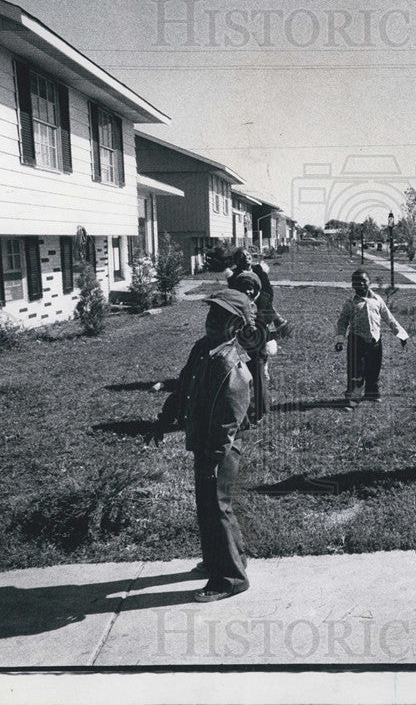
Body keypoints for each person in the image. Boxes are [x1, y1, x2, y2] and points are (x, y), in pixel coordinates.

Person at [151, 288, 254, 602]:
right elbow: (183, 386)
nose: (212, 321)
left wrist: (214, 454)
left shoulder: (229, 363)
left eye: (221, 317)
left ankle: (230, 579)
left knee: (216, 509)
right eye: (211, 313)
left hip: (220, 447)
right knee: (211, 507)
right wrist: (164, 419)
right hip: (205, 443)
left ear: (235, 326)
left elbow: (231, 415)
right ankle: (225, 559)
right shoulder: (203, 349)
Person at [335, 269, 408, 404]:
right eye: (356, 282)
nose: (360, 284)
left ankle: (371, 393)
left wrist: (401, 334)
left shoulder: (377, 299)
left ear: (370, 283)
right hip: (357, 340)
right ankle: (352, 398)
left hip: (375, 341)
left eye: (364, 281)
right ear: (352, 285)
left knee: (374, 368)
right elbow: (342, 322)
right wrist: (340, 340)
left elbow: (389, 318)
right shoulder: (350, 302)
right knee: (356, 370)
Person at [229, 270, 271, 424]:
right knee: (240, 381)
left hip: (257, 349)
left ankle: (260, 412)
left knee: (258, 380)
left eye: (251, 288)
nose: (247, 291)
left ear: (256, 290)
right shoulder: (233, 307)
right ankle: (240, 411)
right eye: (243, 288)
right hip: (239, 349)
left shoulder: (261, 303)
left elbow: (265, 325)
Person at [225, 248, 289, 336]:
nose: (246, 257)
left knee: (264, 303)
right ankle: (277, 322)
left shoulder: (258, 269)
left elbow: (267, 287)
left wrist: (259, 297)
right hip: (244, 299)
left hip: (261, 297)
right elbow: (234, 291)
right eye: (242, 256)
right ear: (237, 260)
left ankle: (270, 325)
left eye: (247, 254)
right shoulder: (234, 274)